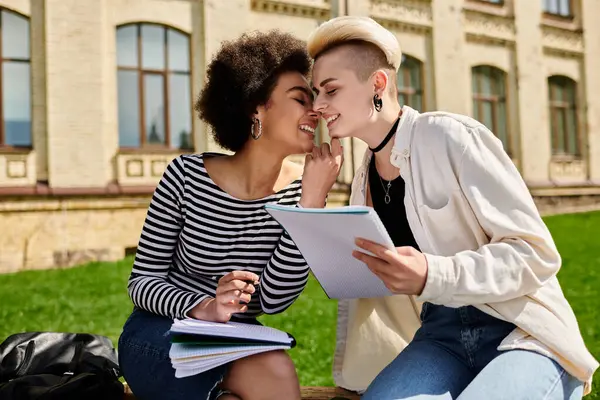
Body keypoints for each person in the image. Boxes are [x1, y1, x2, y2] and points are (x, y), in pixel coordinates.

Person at [306, 16, 598, 400]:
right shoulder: (363, 181)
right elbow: (349, 281)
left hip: (521, 329)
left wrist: (432, 272)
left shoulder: (452, 137)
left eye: (330, 90)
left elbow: (536, 254)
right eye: (314, 93)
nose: (318, 106)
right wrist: (313, 200)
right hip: (441, 337)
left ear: (378, 83)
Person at [118, 30, 343, 400]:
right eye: (301, 99)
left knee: (277, 370)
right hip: (160, 331)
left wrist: (311, 203)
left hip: (237, 339)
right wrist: (203, 307)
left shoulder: (299, 196)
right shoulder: (185, 176)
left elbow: (273, 300)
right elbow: (142, 281)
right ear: (257, 107)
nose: (315, 111)